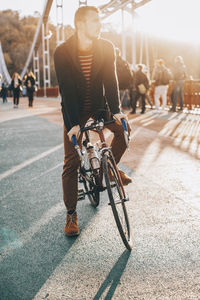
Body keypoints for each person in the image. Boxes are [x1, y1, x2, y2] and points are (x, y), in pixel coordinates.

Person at [54, 6, 132, 237]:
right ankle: (71, 215)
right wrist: (73, 124)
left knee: (124, 133)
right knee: (71, 161)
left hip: (100, 105)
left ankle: (108, 170)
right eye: (95, 21)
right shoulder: (62, 52)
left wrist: (117, 111)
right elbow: (66, 91)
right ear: (80, 24)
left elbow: (111, 79)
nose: (99, 25)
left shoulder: (106, 47)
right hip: (75, 110)